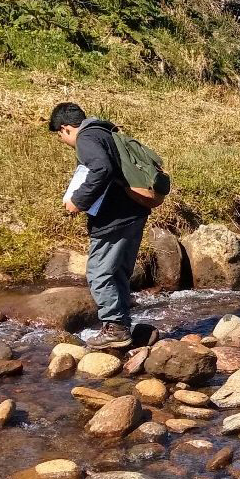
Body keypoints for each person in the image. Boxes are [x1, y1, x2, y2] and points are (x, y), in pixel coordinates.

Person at [49, 102, 151, 351]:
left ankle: (115, 328)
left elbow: (101, 169)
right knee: (118, 272)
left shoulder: (86, 137)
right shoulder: (106, 132)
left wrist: (78, 202)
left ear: (65, 129)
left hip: (113, 218)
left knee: (99, 273)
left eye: (60, 136)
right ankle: (122, 326)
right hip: (134, 212)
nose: (63, 141)